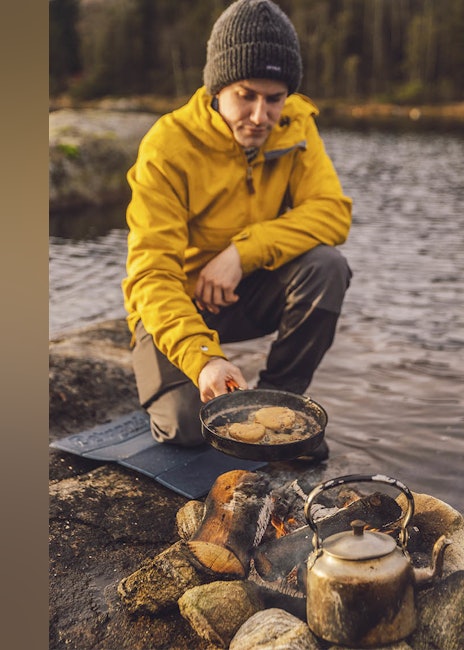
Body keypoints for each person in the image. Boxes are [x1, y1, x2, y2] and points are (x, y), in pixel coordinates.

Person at [122, 0, 353, 449]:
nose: (260, 115)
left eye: (274, 98)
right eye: (245, 95)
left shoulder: (297, 126)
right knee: (188, 430)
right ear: (218, 88)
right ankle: (176, 382)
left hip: (240, 293)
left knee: (326, 267)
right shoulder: (167, 146)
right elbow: (151, 275)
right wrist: (204, 358)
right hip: (175, 302)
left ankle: (280, 403)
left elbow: (332, 212)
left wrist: (241, 254)